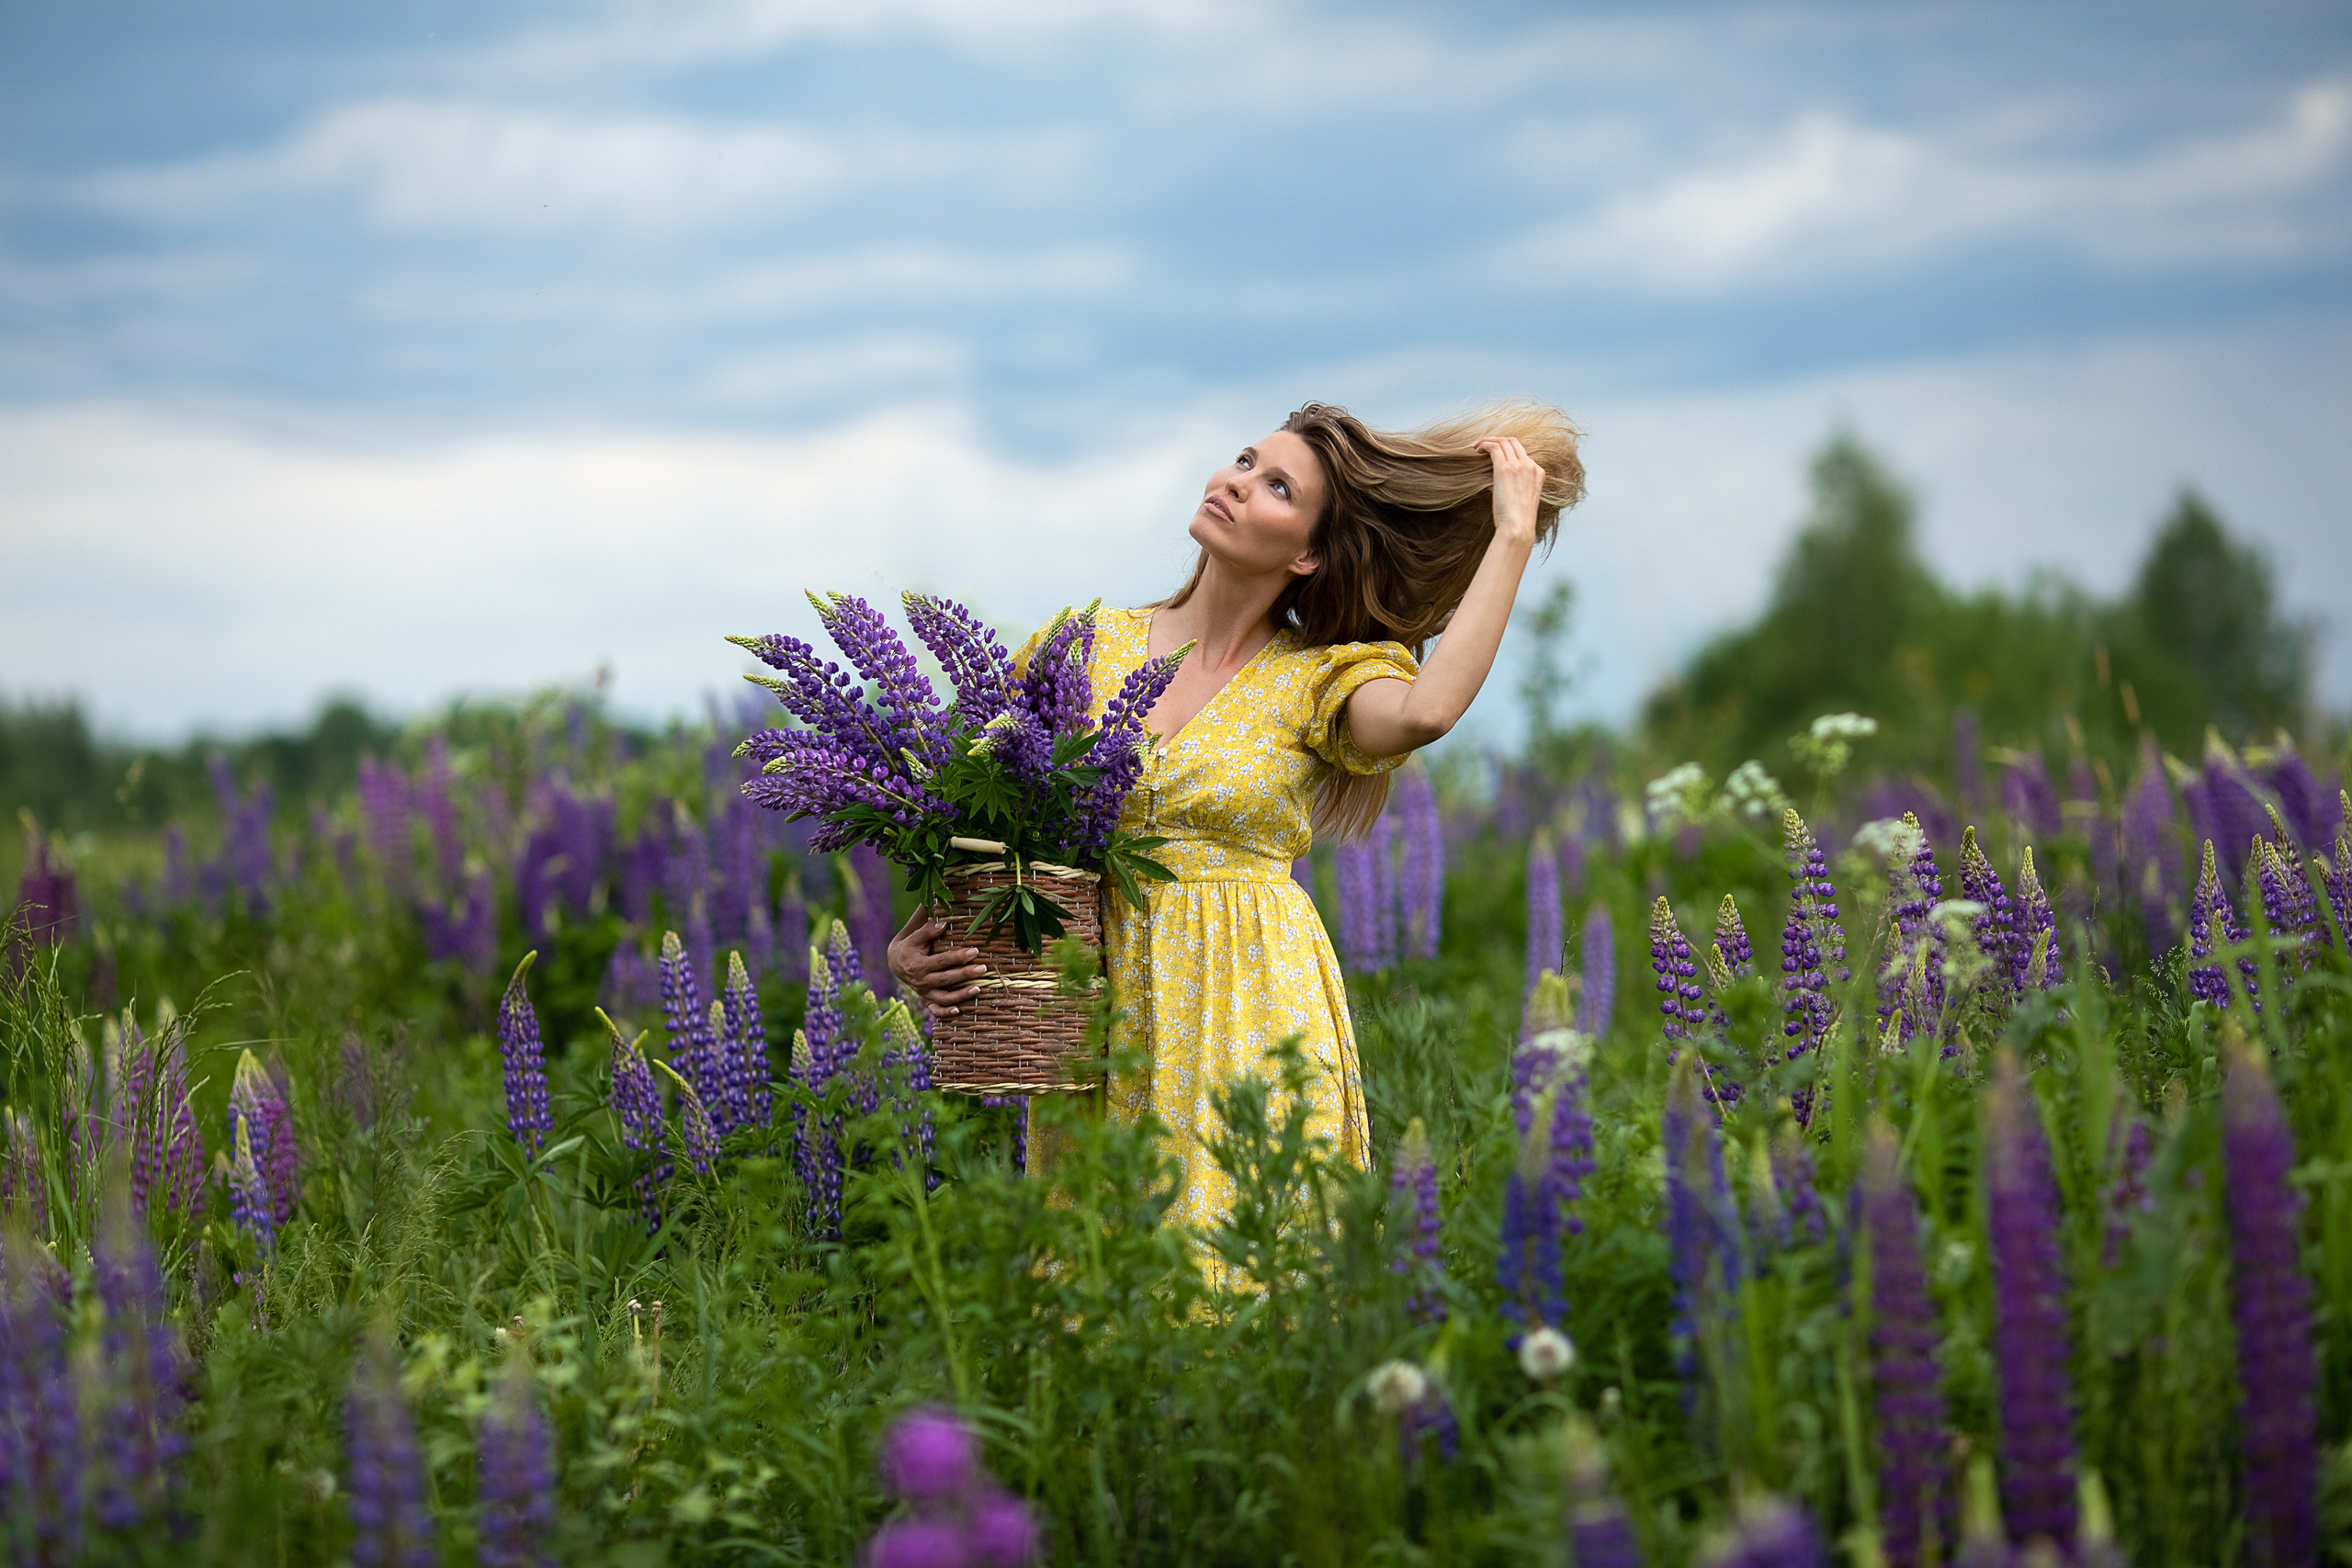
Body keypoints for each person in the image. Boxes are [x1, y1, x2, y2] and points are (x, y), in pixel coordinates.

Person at [888, 401, 1584, 1242]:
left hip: (1254, 998)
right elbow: (988, 820)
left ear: (1308, 551)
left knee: (1247, 1269)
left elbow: (1427, 712)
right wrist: (922, 934)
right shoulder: (1078, 646)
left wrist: (1509, 536)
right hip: (1102, 1009)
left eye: (1276, 486)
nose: (1237, 482)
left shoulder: (1318, 677)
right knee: (1099, 1278)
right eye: (1246, 461)